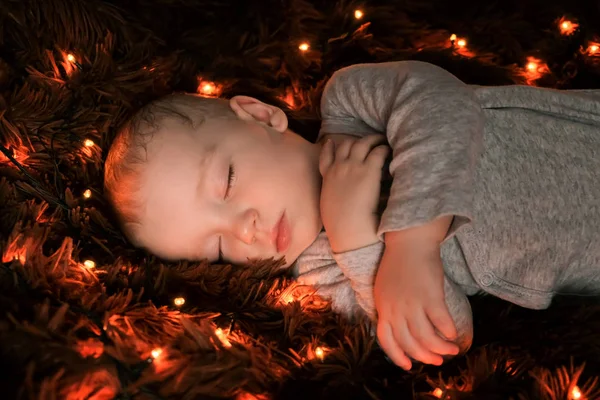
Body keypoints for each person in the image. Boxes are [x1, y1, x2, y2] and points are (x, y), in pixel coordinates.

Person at [104, 60, 600, 371]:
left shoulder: (351, 107)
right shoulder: (323, 278)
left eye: (226, 181)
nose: (244, 228)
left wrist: (410, 244)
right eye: (217, 247)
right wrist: (354, 239)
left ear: (259, 115)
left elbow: (443, 102)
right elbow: (448, 335)